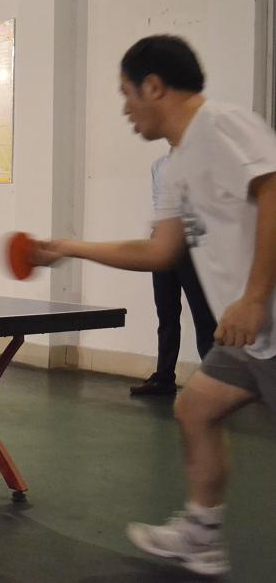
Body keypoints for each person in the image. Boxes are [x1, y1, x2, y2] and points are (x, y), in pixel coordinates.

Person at [34, 35, 276, 577]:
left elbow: (274, 193)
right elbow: (159, 251)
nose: (125, 110)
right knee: (194, 409)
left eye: (126, 94)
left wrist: (255, 297)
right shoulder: (175, 166)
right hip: (247, 337)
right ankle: (201, 539)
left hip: (264, 320)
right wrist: (70, 247)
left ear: (154, 86)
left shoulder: (224, 124)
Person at [131, 151, 217, 395]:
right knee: (166, 313)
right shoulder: (158, 166)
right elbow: (158, 204)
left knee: (203, 317)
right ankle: (164, 377)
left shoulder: (201, 161)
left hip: (192, 248)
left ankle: (214, 381)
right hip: (162, 247)